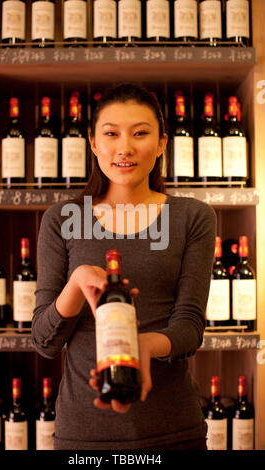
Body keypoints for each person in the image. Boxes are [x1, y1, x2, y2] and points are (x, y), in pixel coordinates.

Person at [32, 83, 216, 450]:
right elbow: (43, 342)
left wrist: (140, 346)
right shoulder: (62, 219)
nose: (125, 147)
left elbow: (190, 328)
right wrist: (77, 284)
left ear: (162, 143)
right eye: (111, 133)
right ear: (94, 143)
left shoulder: (192, 217)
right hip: (84, 434)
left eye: (140, 133)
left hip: (173, 430)